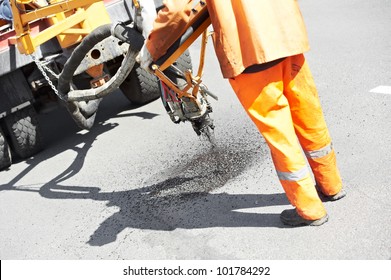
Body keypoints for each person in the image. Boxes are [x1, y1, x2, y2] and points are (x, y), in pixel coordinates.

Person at [138, 0, 346, 226]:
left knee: (279, 133)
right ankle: (331, 185)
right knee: (308, 114)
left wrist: (152, 49)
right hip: (286, 33)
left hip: (249, 48)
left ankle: (310, 209)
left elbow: (178, 10)